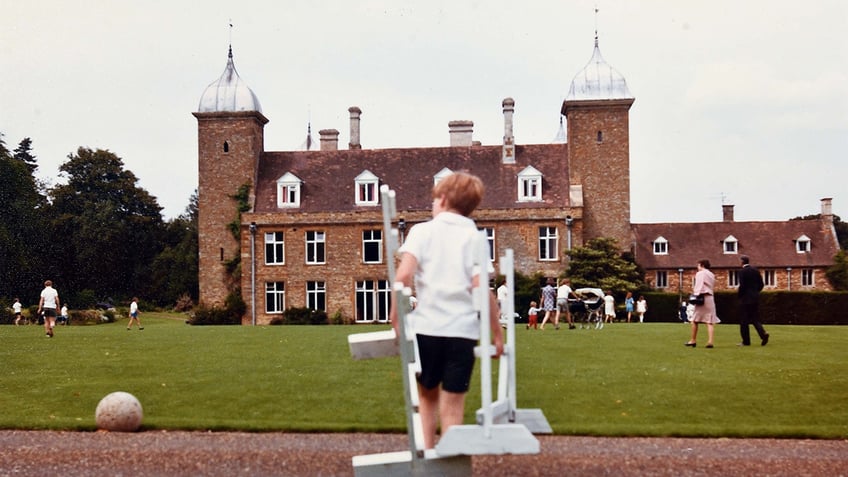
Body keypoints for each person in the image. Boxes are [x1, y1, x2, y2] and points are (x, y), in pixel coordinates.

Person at [389, 171, 504, 450]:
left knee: (427, 398)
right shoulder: (477, 238)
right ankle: (450, 463)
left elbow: (403, 277)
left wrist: (396, 318)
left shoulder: (422, 231)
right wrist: (496, 332)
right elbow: (481, 287)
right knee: (453, 404)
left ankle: (427, 455)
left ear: (441, 199)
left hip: (427, 329)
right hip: (462, 333)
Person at [685, 259, 720, 348]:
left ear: (702, 265)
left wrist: (695, 296)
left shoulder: (701, 273)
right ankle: (710, 341)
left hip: (702, 298)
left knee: (694, 320)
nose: (697, 267)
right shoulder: (711, 274)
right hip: (710, 298)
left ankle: (693, 340)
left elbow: (698, 285)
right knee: (709, 321)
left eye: (698, 265)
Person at [738, 255, 769, 346]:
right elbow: (761, 284)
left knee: (744, 321)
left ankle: (746, 341)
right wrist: (756, 292)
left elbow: (742, 285)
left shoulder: (742, 272)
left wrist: (740, 295)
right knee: (755, 318)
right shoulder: (755, 270)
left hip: (745, 299)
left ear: (742, 262)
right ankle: (763, 334)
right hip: (755, 298)